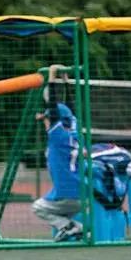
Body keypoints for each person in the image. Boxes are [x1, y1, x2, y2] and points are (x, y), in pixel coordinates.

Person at [31, 102, 83, 242]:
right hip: (84, 194)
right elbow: (71, 111)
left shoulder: (57, 136)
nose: (45, 123)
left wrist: (52, 81)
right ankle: (70, 228)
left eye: (47, 119)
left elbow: (55, 109)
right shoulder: (75, 133)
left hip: (67, 195)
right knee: (61, 212)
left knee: (37, 207)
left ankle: (72, 227)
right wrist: (66, 83)